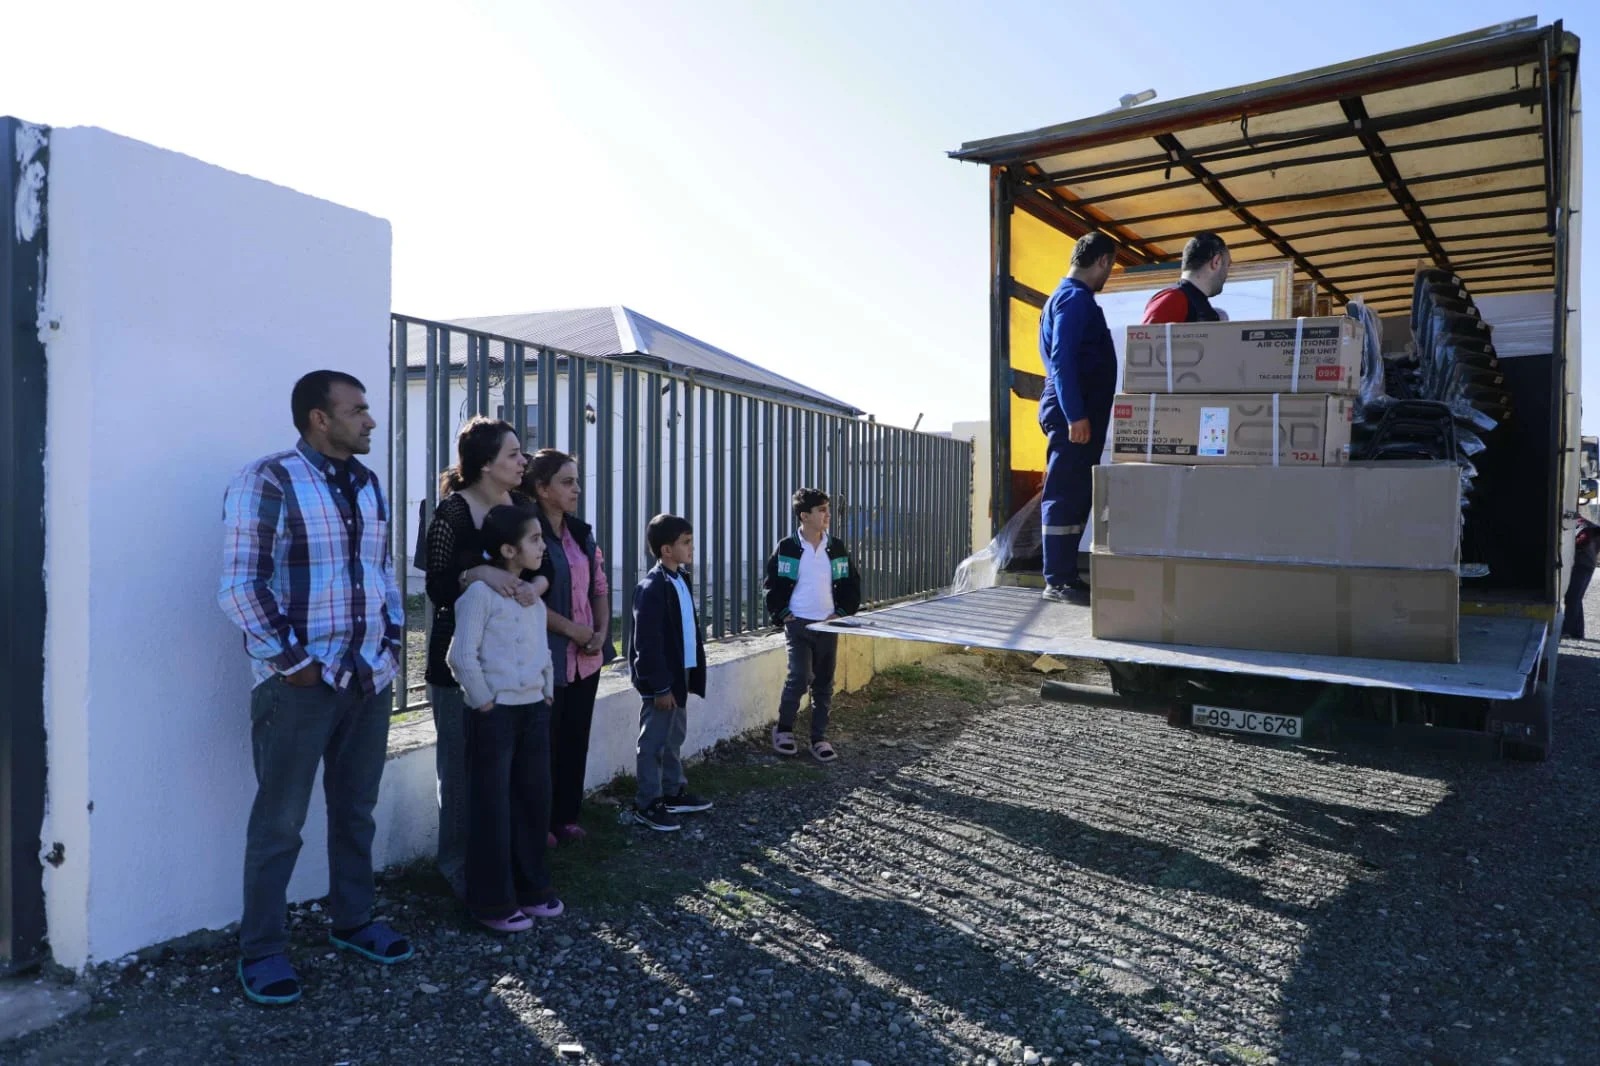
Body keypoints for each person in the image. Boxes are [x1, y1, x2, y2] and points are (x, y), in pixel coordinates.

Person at [219, 370, 413, 1007]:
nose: (371, 421)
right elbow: (242, 585)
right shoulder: (268, 479)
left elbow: (380, 574)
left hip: (367, 677)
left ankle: (354, 920)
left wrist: (386, 646)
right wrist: (292, 662)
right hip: (300, 686)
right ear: (318, 418)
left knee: (356, 810)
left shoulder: (368, 483)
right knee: (280, 823)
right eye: (357, 410)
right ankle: (263, 950)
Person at [424, 417, 547, 899]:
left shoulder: (521, 506)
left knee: (509, 779)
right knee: (458, 772)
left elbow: (546, 568)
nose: (523, 461)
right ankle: (457, 868)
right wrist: (480, 573)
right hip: (462, 665)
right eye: (514, 454)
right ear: (485, 463)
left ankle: (507, 869)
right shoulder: (452, 512)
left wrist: (532, 587)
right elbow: (436, 584)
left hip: (514, 674)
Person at [446, 505, 563, 932]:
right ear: (508, 549)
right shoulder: (479, 595)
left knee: (534, 802)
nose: (542, 547)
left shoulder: (532, 596)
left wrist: (546, 690)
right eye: (534, 540)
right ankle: (492, 903)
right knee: (492, 809)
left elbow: (541, 650)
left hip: (534, 710)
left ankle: (533, 888)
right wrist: (484, 702)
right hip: (494, 716)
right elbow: (461, 655)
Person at [524, 449, 616, 841]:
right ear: (542, 488)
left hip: (587, 658)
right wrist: (574, 631)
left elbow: (599, 585)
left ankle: (566, 815)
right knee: (544, 744)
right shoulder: (528, 535)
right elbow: (526, 598)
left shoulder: (580, 532)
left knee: (575, 738)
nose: (577, 488)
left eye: (577, 480)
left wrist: (599, 630)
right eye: (566, 481)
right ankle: (540, 823)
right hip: (548, 658)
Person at [1038, 232, 1119, 604]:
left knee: (1074, 495)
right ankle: (1057, 580)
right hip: (1074, 415)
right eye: (1111, 267)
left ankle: (1065, 575)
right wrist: (1076, 415)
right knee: (1065, 494)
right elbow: (1062, 359)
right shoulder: (1073, 299)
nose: (1108, 275)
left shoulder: (1068, 298)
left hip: (1078, 413)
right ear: (1101, 261)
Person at [762, 488, 862, 762]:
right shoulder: (788, 547)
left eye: (827, 509)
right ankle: (784, 730)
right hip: (798, 625)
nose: (827, 515)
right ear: (804, 516)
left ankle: (819, 738)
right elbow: (772, 584)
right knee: (799, 677)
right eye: (821, 510)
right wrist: (782, 612)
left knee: (823, 683)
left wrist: (841, 611)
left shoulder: (836, 547)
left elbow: (852, 583)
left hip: (828, 626)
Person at [628, 514, 712, 831]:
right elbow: (647, 644)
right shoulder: (651, 588)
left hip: (679, 676)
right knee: (653, 743)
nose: (691, 548)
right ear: (666, 549)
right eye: (685, 543)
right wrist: (660, 687)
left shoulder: (680, 579)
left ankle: (673, 791)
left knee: (673, 737)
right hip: (661, 683)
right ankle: (647, 802)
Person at [1140, 232, 1231, 325]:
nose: (1227, 274)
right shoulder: (1174, 299)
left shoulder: (1197, 304)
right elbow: (1146, 337)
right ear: (1216, 262)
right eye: (1227, 265)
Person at [1563, 516, 1598, 639]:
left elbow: (1581, 541)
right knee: (1575, 597)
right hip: (1587, 564)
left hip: (1582, 565)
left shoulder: (1583, 526)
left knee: (1573, 598)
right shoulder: (1589, 526)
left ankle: (1566, 630)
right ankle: (1577, 631)